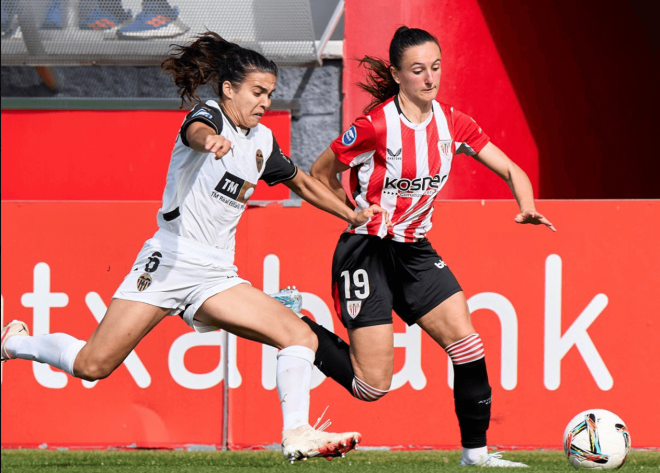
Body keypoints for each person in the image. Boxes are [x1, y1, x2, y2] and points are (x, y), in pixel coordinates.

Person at [0, 31, 390, 463]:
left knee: (298, 334)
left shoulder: (261, 141)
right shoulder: (212, 117)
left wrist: (349, 213)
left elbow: (300, 181)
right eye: (257, 93)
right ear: (228, 89)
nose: (265, 103)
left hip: (216, 274)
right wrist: (210, 141)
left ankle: (297, 432)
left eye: (271, 94)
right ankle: (14, 343)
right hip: (169, 260)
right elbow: (196, 131)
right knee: (94, 365)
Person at [303, 26, 556, 467]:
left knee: (468, 344)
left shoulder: (453, 124)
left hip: (414, 250)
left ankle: (475, 455)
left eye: (435, 68)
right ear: (398, 75)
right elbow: (317, 174)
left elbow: (512, 169)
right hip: (367, 248)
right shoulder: (375, 124)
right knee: (371, 387)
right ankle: (295, 324)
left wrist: (527, 206)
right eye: (418, 70)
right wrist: (351, 213)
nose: (430, 78)